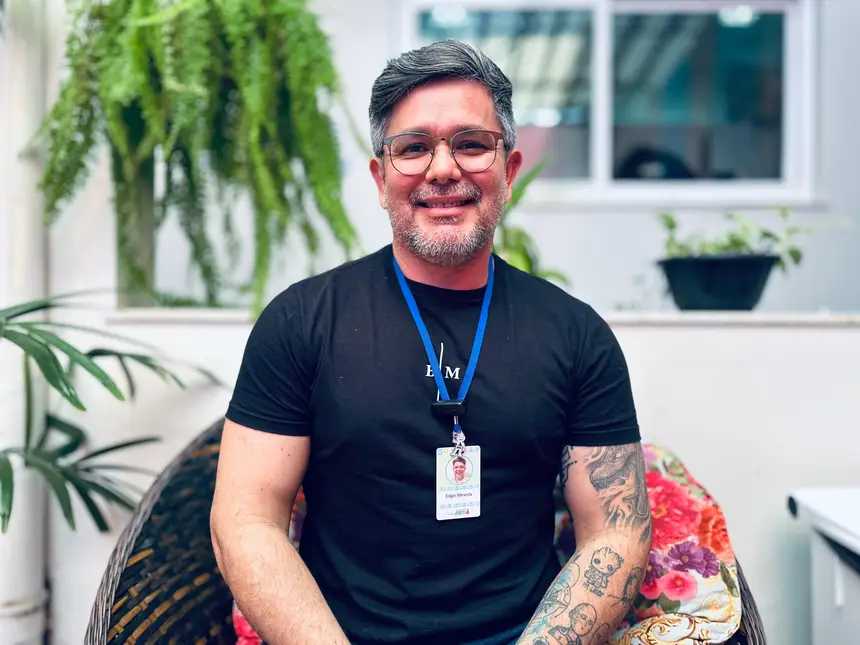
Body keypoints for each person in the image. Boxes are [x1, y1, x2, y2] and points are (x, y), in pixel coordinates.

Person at [210, 39, 652, 645]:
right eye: (413, 148)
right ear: (380, 177)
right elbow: (245, 522)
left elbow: (616, 532)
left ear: (509, 171)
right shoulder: (301, 322)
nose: (443, 170)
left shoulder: (576, 334)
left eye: (471, 144)